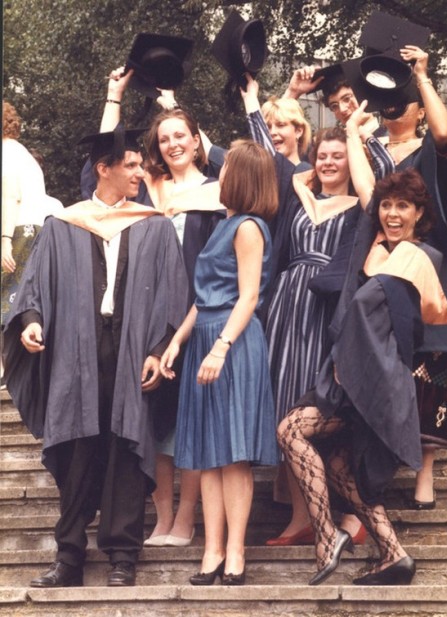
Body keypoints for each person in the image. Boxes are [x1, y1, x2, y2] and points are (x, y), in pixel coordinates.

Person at [3, 127, 188, 587]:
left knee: (128, 448)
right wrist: (30, 320)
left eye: (138, 165)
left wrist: (160, 349)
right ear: (103, 169)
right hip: (74, 351)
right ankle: (69, 558)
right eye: (129, 165)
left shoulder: (155, 225)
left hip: (133, 353)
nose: (139, 172)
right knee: (77, 449)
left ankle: (123, 554)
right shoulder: (65, 224)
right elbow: (35, 288)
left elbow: (173, 295)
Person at [277, 103, 447, 585]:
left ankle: (324, 535)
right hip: (355, 374)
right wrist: (353, 133)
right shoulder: (374, 246)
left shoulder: (417, 258)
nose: (393, 214)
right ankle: (394, 553)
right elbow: (366, 191)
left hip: (372, 380)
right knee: (338, 467)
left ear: (419, 215)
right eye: (388, 207)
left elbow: (400, 324)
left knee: (291, 431)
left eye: (404, 208)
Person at [241, 75, 394, 547]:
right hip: (285, 309)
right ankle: (303, 517)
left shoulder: (361, 209)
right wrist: (252, 98)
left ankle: (338, 517)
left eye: (338, 157)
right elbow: (265, 155)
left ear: (351, 162)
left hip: (326, 314)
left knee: (308, 410)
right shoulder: (296, 197)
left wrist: (358, 134)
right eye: (322, 157)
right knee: (282, 401)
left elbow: (387, 180)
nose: (329, 163)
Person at [82, 66, 227, 548]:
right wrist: (114, 95)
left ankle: (186, 520)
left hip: (199, 320)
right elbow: (96, 170)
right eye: (164, 138)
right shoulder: (148, 191)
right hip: (150, 325)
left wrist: (172, 102)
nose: (172, 144)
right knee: (157, 422)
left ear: (195, 138)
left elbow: (237, 161)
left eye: (180, 135)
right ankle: (162, 519)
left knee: (190, 425)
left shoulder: (217, 190)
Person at [364, 46, 447, 508]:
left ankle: (424, 474)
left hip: (423, 267)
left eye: (406, 99)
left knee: (426, 369)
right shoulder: (374, 150)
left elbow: (443, 132)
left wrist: (423, 77)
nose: (396, 108)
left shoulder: (426, 152)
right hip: (379, 268)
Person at [160, 141, 280, 586]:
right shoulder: (221, 225)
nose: (219, 172)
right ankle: (211, 550)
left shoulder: (249, 226)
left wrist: (221, 346)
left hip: (233, 341)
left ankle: (235, 552)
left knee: (234, 457)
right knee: (208, 457)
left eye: (226, 166)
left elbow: (248, 296)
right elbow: (203, 297)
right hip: (206, 337)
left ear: (242, 176)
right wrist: (178, 339)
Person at [1, 102, 63, 326]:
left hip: (15, 232)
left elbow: (9, 196)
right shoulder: (23, 153)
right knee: (17, 307)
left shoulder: (5, 152)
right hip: (33, 232)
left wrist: (5, 240)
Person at [260, 96, 312, 171]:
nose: (272, 132)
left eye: (280, 125)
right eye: (268, 127)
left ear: (298, 131)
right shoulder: (259, 175)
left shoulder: (310, 176)